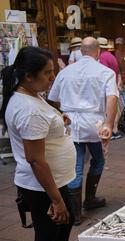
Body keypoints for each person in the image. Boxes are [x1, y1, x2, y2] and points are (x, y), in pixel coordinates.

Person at [1, 47, 77, 241]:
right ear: (28, 76)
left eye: (53, 71)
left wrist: (58, 121)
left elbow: (42, 126)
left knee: (65, 224)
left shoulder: (32, 95)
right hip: (42, 185)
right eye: (47, 73)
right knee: (47, 234)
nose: (52, 78)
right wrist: (55, 199)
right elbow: (35, 159)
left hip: (55, 180)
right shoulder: (28, 108)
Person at [48, 37, 119, 225]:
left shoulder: (65, 72)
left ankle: (76, 211)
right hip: (95, 122)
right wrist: (109, 125)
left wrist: (65, 111)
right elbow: (112, 98)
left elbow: (53, 97)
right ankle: (87, 200)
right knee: (98, 160)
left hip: (71, 122)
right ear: (98, 52)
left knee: (76, 165)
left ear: (80, 51)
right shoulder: (105, 72)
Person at [98, 37, 122, 140]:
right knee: (115, 109)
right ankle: (115, 130)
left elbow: (103, 74)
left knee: (108, 110)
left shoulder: (102, 57)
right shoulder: (111, 56)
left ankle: (111, 131)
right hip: (114, 84)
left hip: (107, 87)